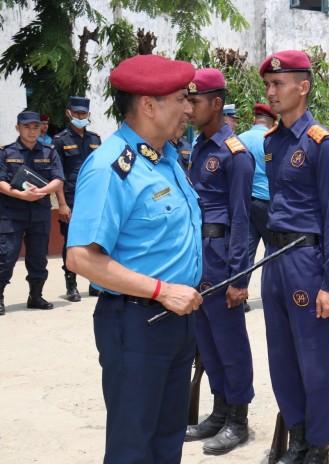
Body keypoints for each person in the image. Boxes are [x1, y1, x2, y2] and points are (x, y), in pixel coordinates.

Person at [65, 54, 203, 464]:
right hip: (136, 325)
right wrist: (162, 290)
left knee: (166, 442)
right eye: (181, 99)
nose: (189, 109)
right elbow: (81, 258)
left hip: (176, 321)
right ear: (148, 105)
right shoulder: (112, 168)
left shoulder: (165, 159)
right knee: (133, 447)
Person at [259, 50, 329, 464]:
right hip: (274, 257)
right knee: (281, 356)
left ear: (303, 87)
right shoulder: (272, 142)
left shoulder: (321, 144)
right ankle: (296, 435)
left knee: (314, 359)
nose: (271, 92)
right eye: (268, 85)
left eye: (278, 84)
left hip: (306, 260)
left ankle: (319, 445)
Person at [183, 68, 256, 454]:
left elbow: (242, 218)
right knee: (207, 342)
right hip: (198, 258)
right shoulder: (199, 147)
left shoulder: (235, 155)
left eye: (194, 101)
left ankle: (239, 419)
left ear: (215, 103)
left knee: (230, 343)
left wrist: (239, 277)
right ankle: (218, 411)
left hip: (224, 259)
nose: (188, 107)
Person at [0, 111, 64, 315]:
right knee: (6, 256)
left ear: (41, 128)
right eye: (27, 127)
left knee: (38, 257)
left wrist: (42, 191)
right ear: (18, 128)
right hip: (11, 213)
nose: (31, 130)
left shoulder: (49, 151)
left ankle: (36, 296)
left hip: (39, 212)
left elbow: (58, 179)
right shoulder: (6, 152)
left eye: (35, 127)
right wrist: (20, 195)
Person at [52, 96, 102, 301]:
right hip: (71, 200)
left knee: (95, 240)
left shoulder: (95, 139)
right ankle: (71, 284)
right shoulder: (60, 140)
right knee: (70, 242)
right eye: (77, 113)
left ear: (88, 115)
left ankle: (94, 282)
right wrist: (62, 204)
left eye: (84, 113)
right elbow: (58, 175)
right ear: (69, 113)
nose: (80, 116)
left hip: (93, 199)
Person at [238, 103, 277, 313]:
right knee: (276, 249)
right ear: (273, 122)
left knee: (247, 251)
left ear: (255, 119)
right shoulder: (272, 139)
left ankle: (241, 294)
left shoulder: (240, 138)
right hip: (268, 201)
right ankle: (274, 294)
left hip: (246, 202)